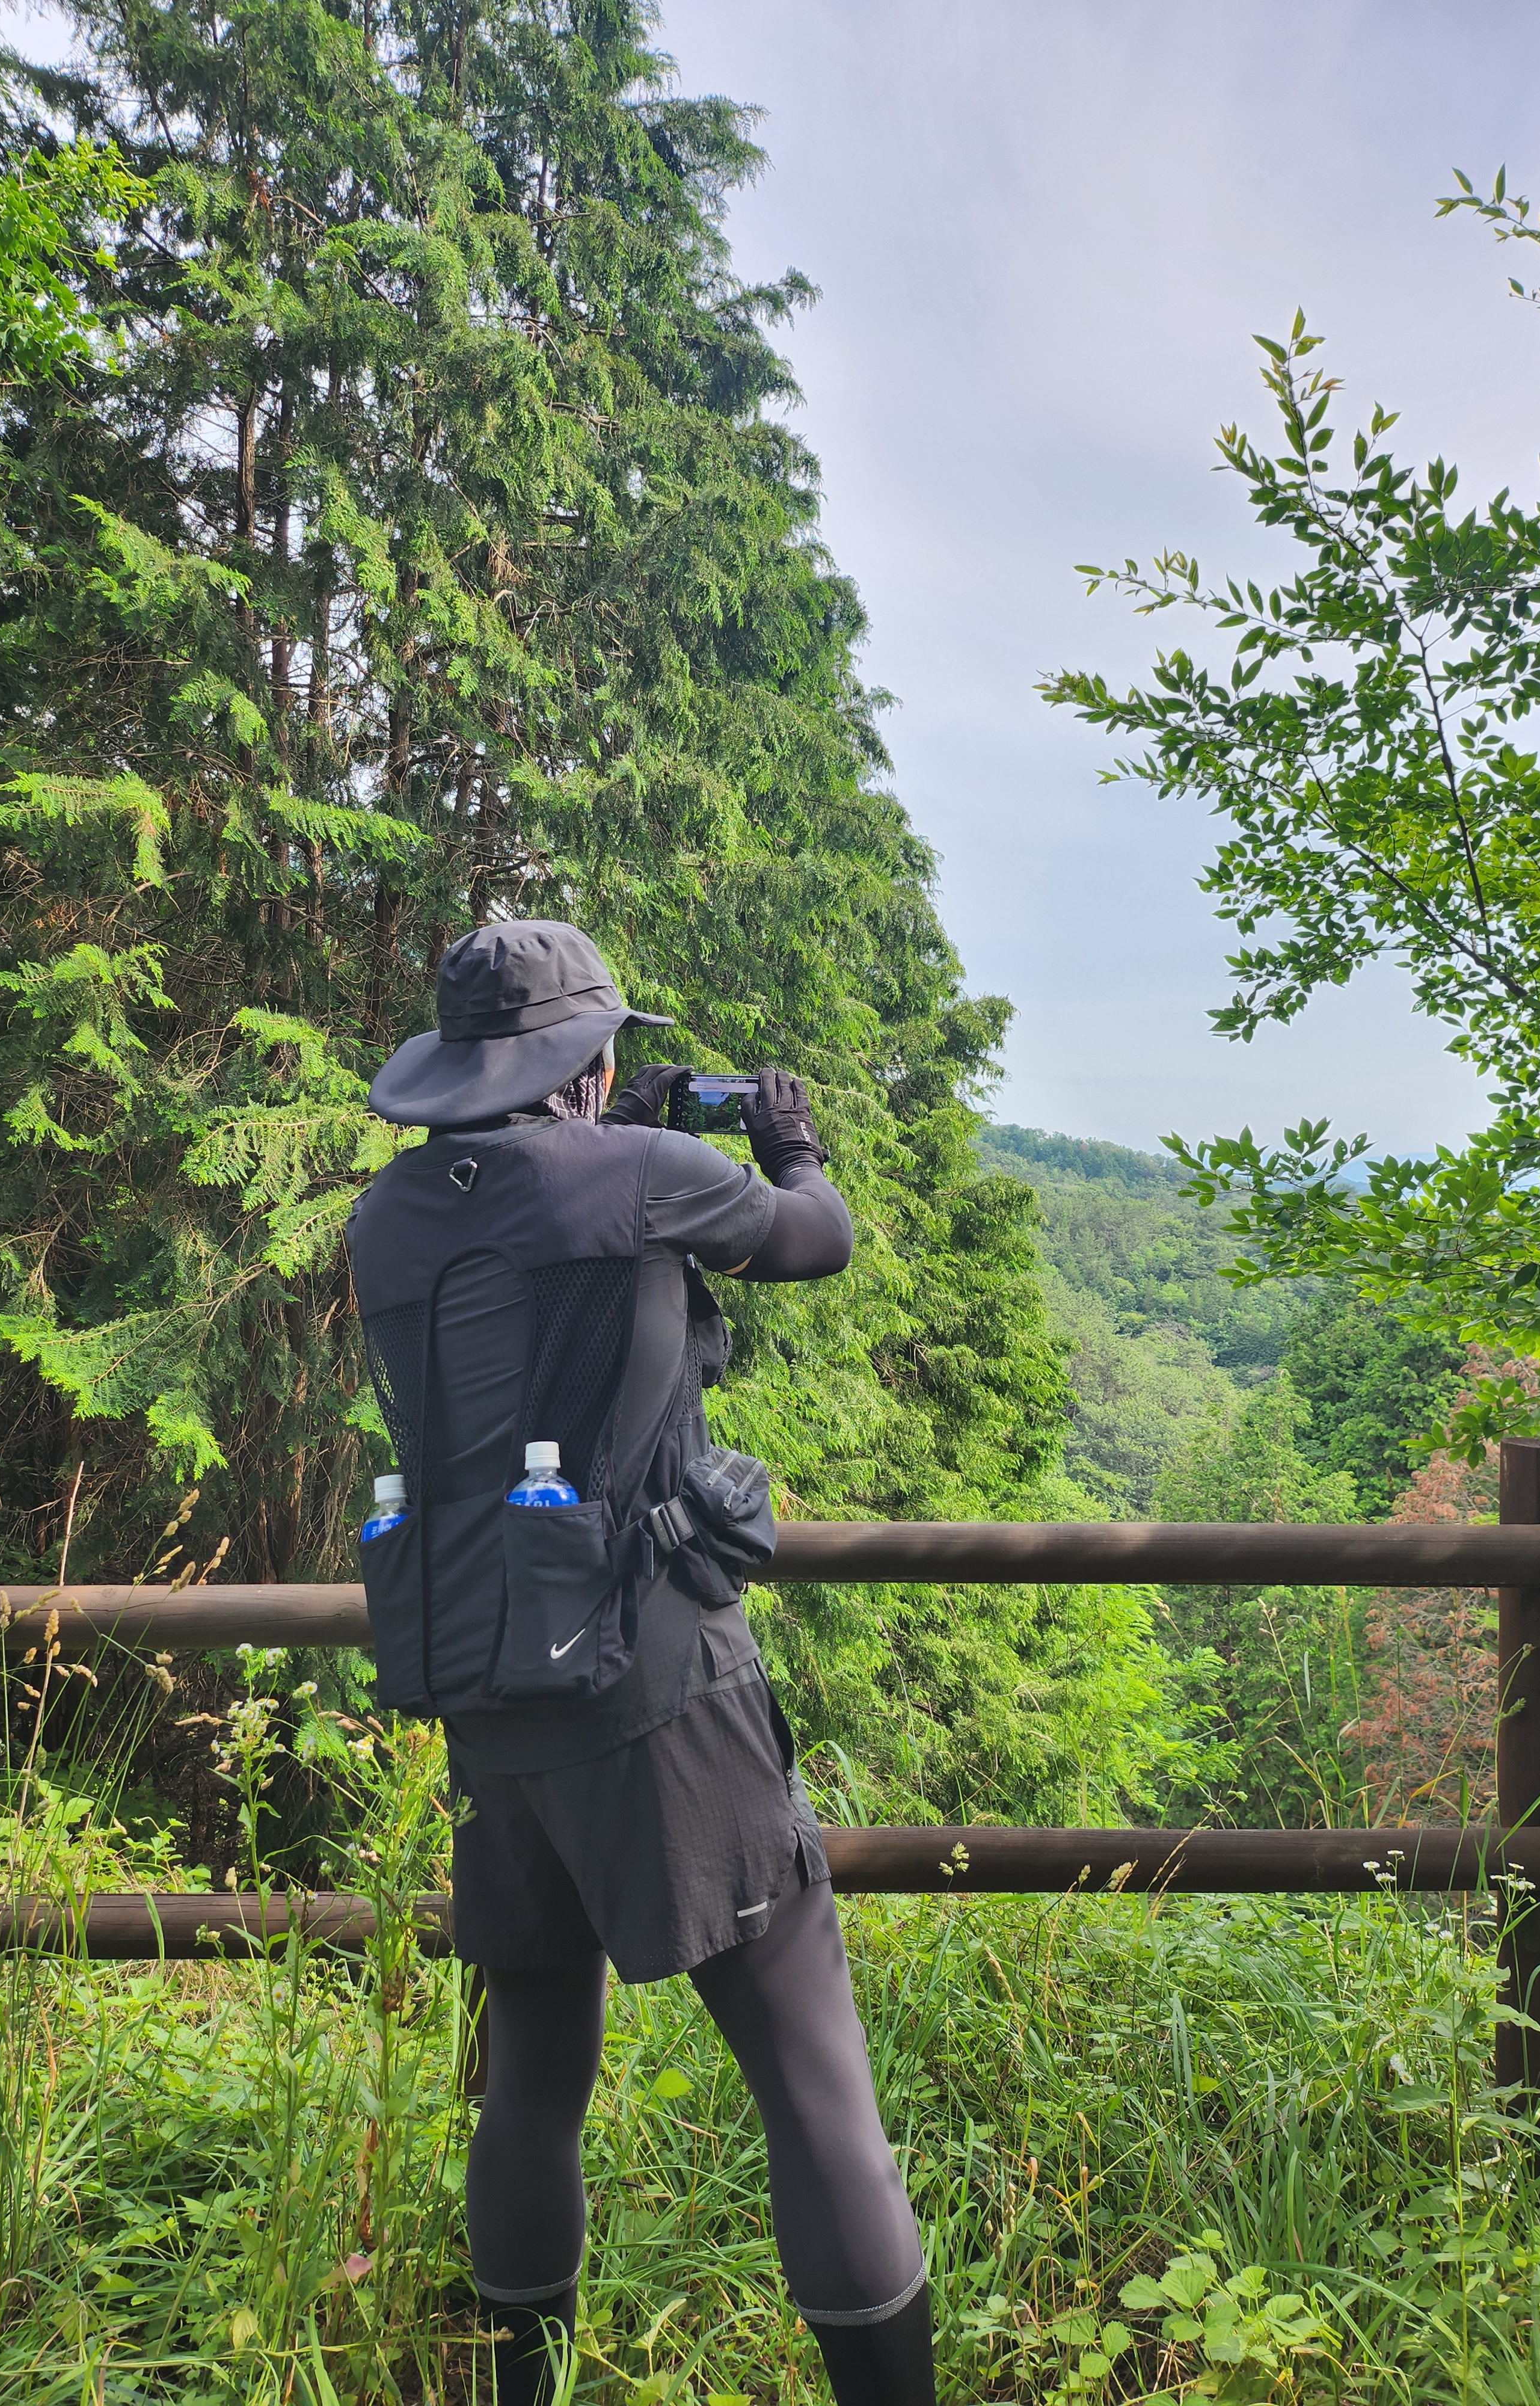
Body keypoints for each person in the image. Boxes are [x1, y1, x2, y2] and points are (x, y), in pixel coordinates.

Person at [345, 921, 936, 2406]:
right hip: (657, 1679)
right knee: (815, 2083)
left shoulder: (388, 1218)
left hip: (485, 1682)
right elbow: (821, 1237)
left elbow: (538, 1258)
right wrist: (789, 1145)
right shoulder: (650, 1179)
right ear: (587, 1065)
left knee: (534, 2080)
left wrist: (629, 1133)